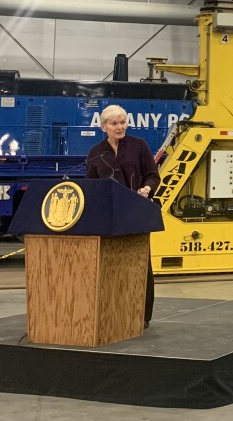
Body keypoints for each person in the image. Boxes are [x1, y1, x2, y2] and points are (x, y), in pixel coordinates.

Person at [86, 104, 160, 329]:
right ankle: (113, 310)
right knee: (112, 265)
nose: (120, 127)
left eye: (123, 122)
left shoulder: (139, 145)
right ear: (103, 127)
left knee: (140, 264)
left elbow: (153, 175)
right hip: (109, 217)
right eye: (114, 123)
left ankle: (142, 314)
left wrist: (147, 188)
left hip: (136, 213)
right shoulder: (96, 152)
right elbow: (91, 186)